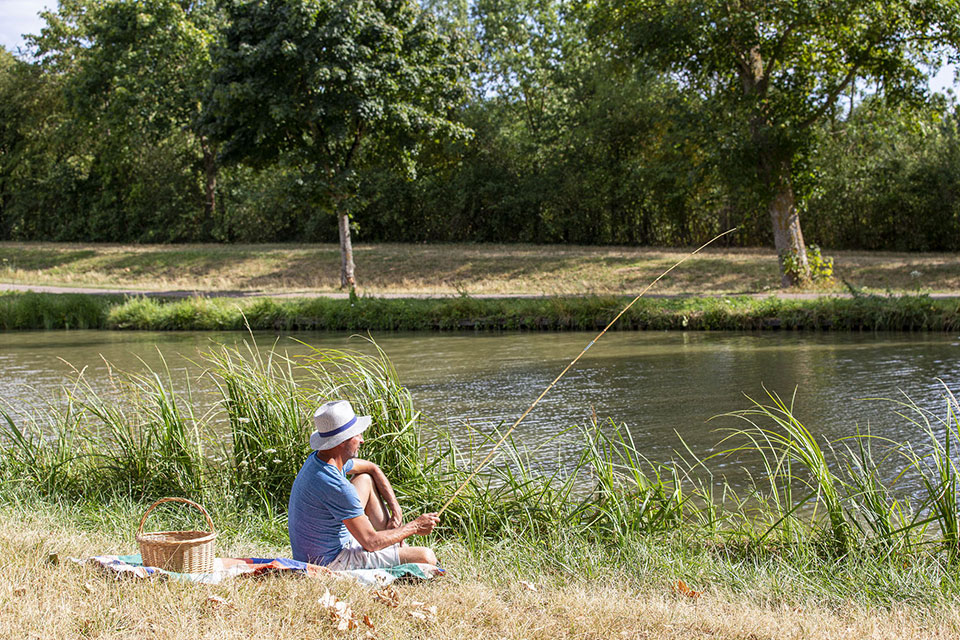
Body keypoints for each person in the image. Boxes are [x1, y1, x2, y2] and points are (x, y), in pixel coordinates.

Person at [288, 399, 440, 569]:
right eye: (357, 435)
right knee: (427, 557)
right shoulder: (336, 486)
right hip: (328, 562)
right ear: (341, 441)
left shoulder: (321, 459)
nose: (362, 440)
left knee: (365, 479)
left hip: (318, 549)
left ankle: (392, 546)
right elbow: (370, 543)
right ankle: (393, 550)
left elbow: (372, 468)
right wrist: (415, 526)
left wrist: (396, 509)